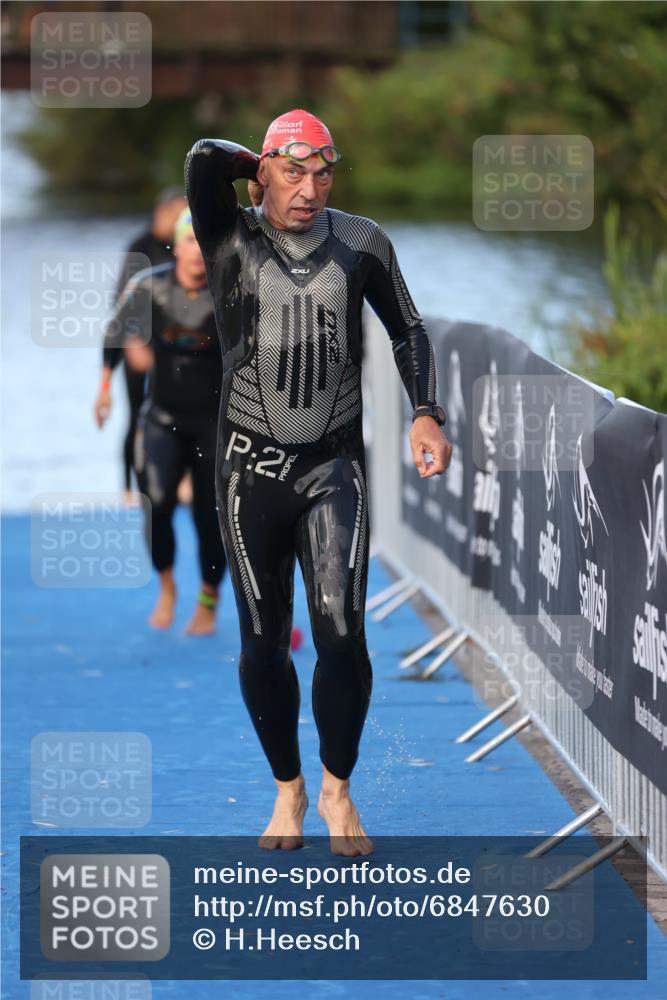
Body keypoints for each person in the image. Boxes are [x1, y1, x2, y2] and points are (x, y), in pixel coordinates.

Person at [185, 110, 451, 856]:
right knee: (263, 640)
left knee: (340, 634)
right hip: (248, 470)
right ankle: (287, 790)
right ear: (262, 171)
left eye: (322, 173)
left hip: (334, 467)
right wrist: (259, 162)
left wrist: (425, 414)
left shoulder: (361, 241)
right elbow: (202, 159)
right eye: (292, 172)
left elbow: (408, 330)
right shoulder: (229, 236)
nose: (308, 189)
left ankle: (336, 788)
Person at [100, 208, 227, 634]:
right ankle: (168, 586)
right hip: (161, 419)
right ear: (177, 245)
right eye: (188, 241)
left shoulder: (230, 291)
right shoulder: (149, 285)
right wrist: (104, 386)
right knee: (156, 505)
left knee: (211, 518)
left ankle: (208, 598)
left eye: (203, 243)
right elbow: (116, 331)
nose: (195, 252)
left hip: (214, 423)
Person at [94, 187, 187, 501]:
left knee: (177, 411)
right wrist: (134, 342)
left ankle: (181, 479)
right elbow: (121, 305)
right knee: (136, 415)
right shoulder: (140, 247)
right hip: (136, 341)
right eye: (177, 215)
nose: (182, 221)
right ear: (162, 213)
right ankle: (127, 486)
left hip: (169, 345)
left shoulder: (182, 245)